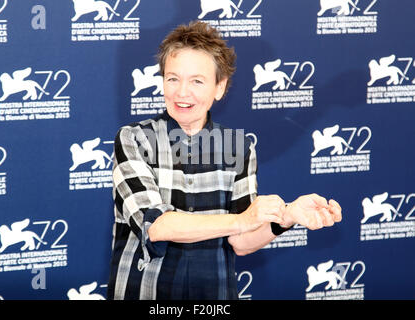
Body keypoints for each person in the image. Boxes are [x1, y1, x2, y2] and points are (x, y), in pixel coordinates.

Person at [107, 21, 342, 300]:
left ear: (220, 87)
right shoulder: (134, 139)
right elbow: (158, 226)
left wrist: (288, 216)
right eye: (173, 78)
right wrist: (242, 220)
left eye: (197, 81)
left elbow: (241, 242)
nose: (182, 92)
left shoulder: (239, 147)